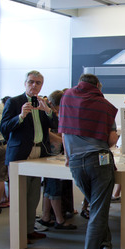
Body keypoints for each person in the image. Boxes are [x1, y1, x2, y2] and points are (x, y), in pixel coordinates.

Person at [59, 73, 119, 249]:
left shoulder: (66, 98)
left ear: (80, 84)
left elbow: (64, 132)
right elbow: (111, 140)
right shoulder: (105, 106)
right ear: (98, 86)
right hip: (100, 160)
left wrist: (68, 158)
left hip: (75, 162)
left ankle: (105, 246)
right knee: (99, 210)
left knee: (95, 207)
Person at [0, 70, 58, 241]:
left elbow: (55, 125)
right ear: (25, 83)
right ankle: (18, 232)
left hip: (39, 153)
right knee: (19, 195)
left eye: (38, 83)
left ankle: (29, 229)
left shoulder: (42, 103)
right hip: (20, 154)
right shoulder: (14, 102)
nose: (34, 85)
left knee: (33, 195)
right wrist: (20, 116)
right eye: (31, 82)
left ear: (42, 85)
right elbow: (4, 128)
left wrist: (47, 111)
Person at [38, 90, 76, 230]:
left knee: (51, 185)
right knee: (53, 186)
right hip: (52, 154)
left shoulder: (59, 114)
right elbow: (48, 133)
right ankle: (58, 219)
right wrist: (64, 140)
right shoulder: (51, 115)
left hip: (56, 153)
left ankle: (46, 216)